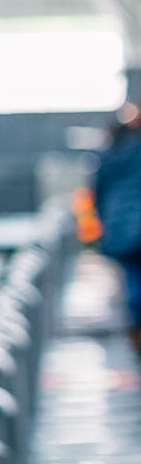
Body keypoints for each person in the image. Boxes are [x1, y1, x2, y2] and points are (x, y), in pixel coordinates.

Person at [94, 101, 141, 351]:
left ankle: (137, 327)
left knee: (133, 279)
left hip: (121, 227)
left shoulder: (109, 153)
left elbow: (98, 193)